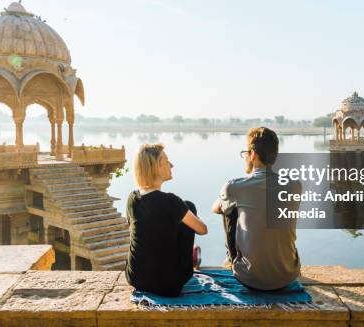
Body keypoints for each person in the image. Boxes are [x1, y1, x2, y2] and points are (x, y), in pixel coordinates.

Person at [212, 127, 301, 291]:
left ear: (252, 154)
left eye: (246, 152)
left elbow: (215, 208)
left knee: (229, 211)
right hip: (287, 275)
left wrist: (228, 196)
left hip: (249, 278)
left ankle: (233, 261)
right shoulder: (294, 185)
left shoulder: (235, 186)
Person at [126, 143, 208, 297]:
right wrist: (192, 216)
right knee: (189, 206)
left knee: (173, 217)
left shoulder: (132, 199)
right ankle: (190, 259)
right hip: (169, 285)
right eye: (166, 161)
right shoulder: (171, 201)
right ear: (156, 167)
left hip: (135, 277)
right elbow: (203, 230)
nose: (171, 164)